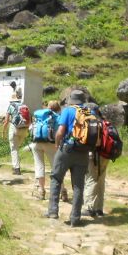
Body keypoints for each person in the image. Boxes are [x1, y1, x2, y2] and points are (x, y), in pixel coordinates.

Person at [47, 89, 91, 226]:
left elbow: (60, 132)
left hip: (66, 149)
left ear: (71, 100)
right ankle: (75, 218)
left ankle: (53, 211)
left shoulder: (67, 110)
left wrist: (57, 145)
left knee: (56, 178)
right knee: (78, 185)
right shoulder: (89, 112)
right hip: (83, 151)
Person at [28, 100, 61, 200]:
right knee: (56, 167)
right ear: (58, 109)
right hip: (51, 144)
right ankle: (62, 191)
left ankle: (41, 191)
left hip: (37, 143)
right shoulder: (57, 117)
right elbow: (60, 131)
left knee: (39, 166)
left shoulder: (39, 115)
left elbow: (30, 128)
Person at [84, 103, 109, 217]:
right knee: (101, 180)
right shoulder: (104, 122)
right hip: (105, 155)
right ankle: (99, 208)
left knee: (91, 179)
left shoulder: (90, 122)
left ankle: (88, 207)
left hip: (94, 155)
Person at [2, 89, 30, 175]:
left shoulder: (11, 106)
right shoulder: (25, 106)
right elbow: (30, 119)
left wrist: (3, 131)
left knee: (14, 149)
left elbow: (6, 121)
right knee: (16, 148)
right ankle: (16, 164)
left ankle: (16, 169)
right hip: (24, 129)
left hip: (14, 128)